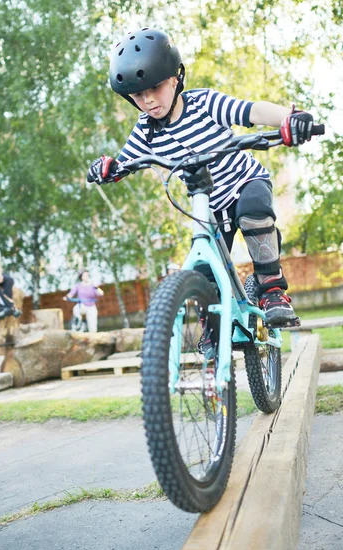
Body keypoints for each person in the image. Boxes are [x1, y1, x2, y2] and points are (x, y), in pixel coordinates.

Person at [87, 27, 316, 330]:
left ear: (174, 79)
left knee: (253, 214)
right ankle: (213, 325)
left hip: (244, 182)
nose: (148, 101)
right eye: (138, 95)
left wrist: (288, 119)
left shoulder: (204, 103)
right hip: (207, 204)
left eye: (154, 88)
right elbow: (123, 161)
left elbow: (252, 111)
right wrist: (107, 167)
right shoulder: (146, 130)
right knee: (205, 267)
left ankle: (272, 291)